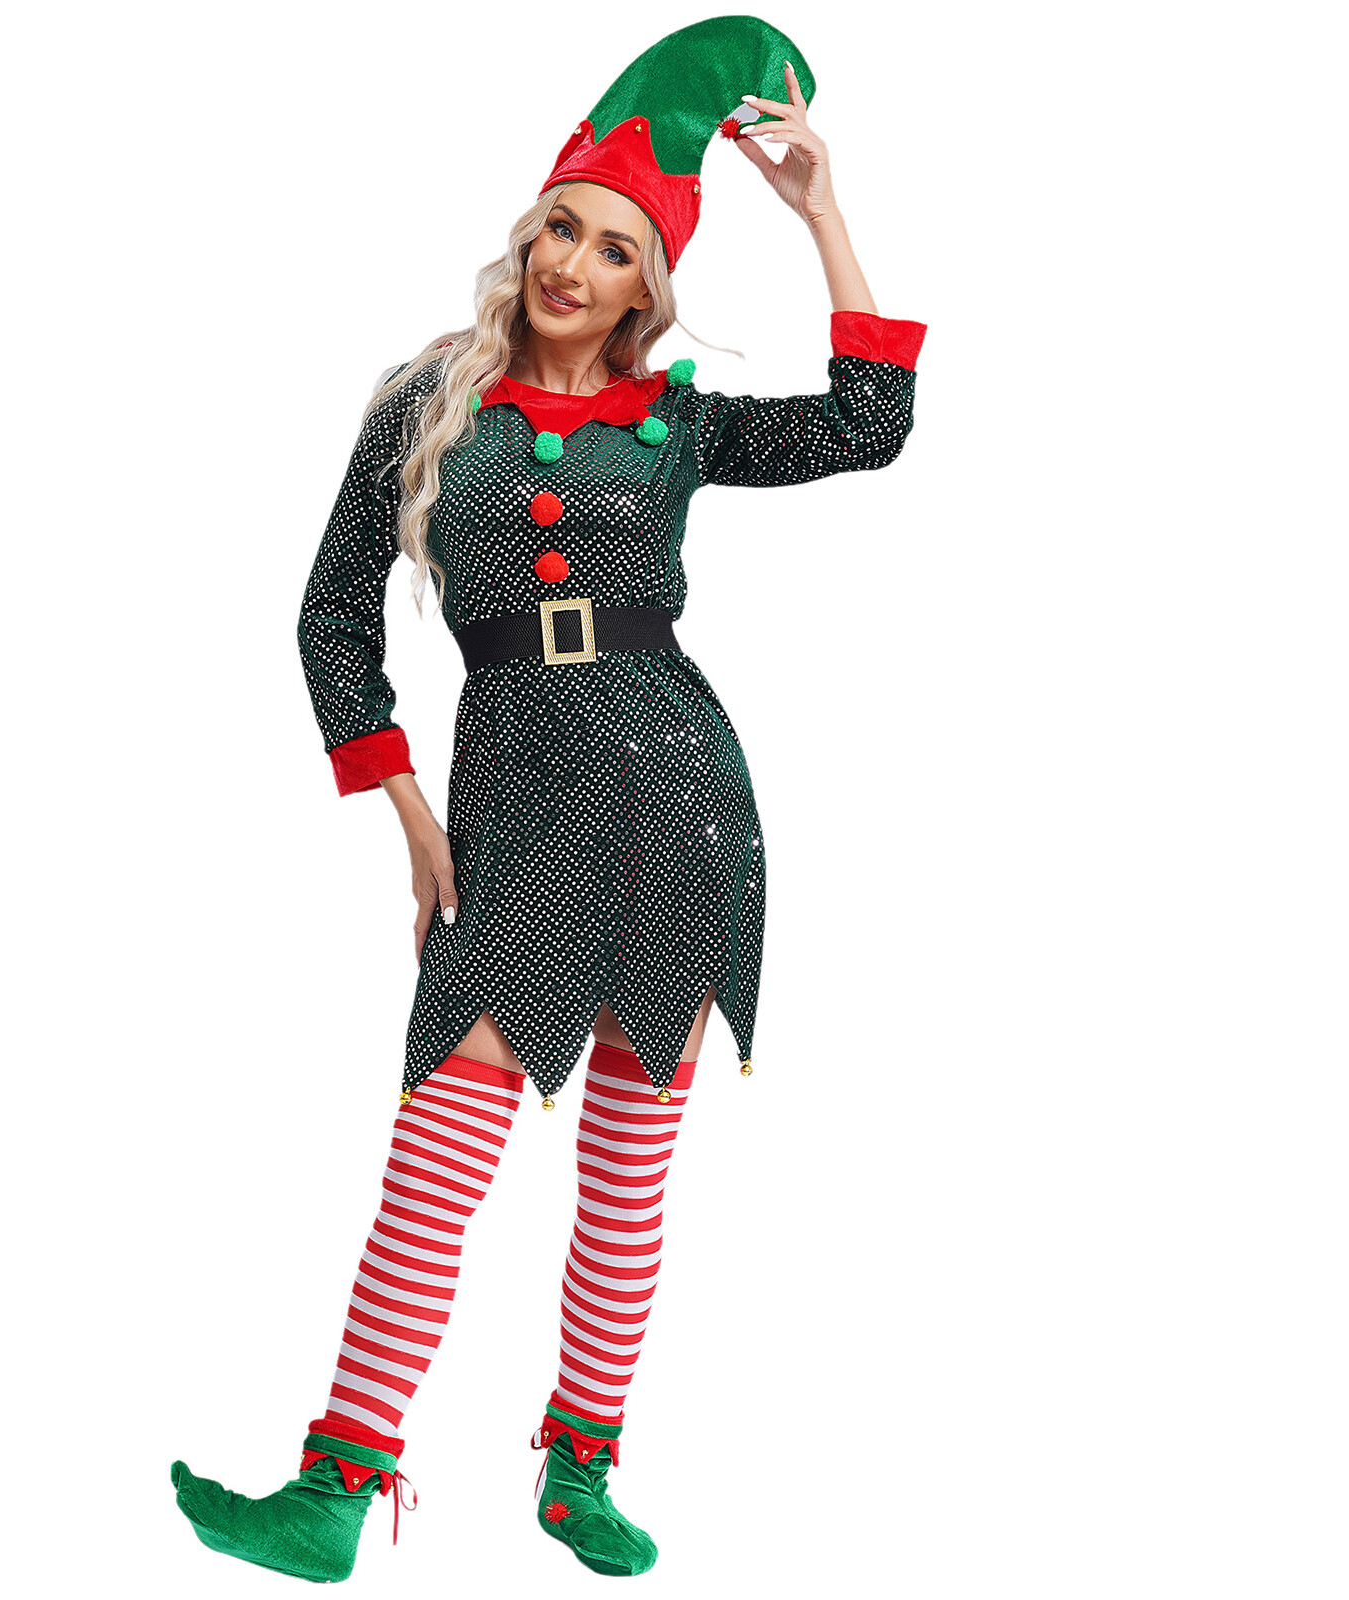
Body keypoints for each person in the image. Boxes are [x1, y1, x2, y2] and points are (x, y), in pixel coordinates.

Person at [171, 15, 927, 1582]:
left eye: (615, 250)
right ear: (527, 240)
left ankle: (580, 1467)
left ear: (653, 289)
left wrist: (823, 214)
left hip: (679, 793)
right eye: (561, 231)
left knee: (632, 1164)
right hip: (514, 797)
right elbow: (331, 617)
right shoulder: (424, 403)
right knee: (441, 1142)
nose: (574, 265)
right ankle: (336, 1487)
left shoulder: (681, 425)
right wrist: (407, 814)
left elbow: (870, 427)